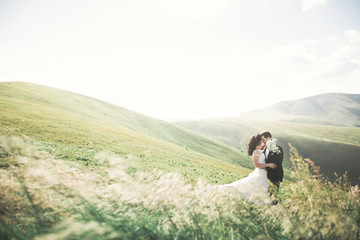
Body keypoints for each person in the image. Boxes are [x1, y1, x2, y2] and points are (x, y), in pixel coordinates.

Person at [216, 134, 276, 205]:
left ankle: (260, 202)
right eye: (261, 140)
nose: (263, 141)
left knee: (259, 188)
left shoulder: (258, 150)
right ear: (258, 141)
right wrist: (269, 165)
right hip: (260, 173)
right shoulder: (256, 152)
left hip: (263, 173)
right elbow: (257, 165)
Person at [260, 131, 283, 203]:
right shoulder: (264, 149)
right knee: (267, 194)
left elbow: (278, 163)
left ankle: (277, 209)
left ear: (268, 138)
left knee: (274, 195)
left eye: (263, 140)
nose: (262, 141)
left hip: (275, 175)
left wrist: (268, 167)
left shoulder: (278, 149)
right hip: (265, 176)